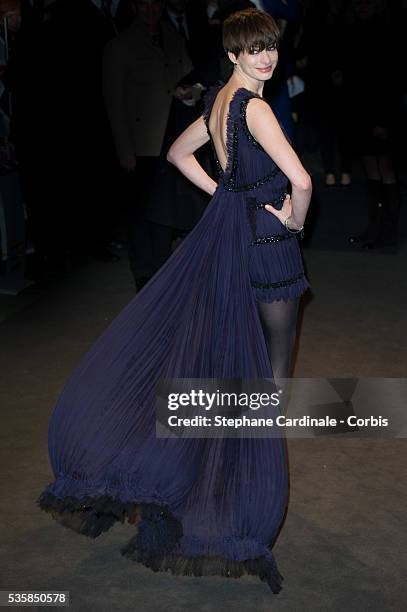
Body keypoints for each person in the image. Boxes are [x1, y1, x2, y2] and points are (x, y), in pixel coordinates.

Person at [38, 8, 312, 593]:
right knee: (272, 382)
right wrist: (293, 222)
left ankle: (209, 477)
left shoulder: (218, 101)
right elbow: (304, 181)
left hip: (233, 238)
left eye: (270, 48)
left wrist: (228, 194)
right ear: (233, 53)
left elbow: (178, 155)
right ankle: (241, 498)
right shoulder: (256, 106)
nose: (265, 58)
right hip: (266, 247)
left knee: (231, 364)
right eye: (253, 49)